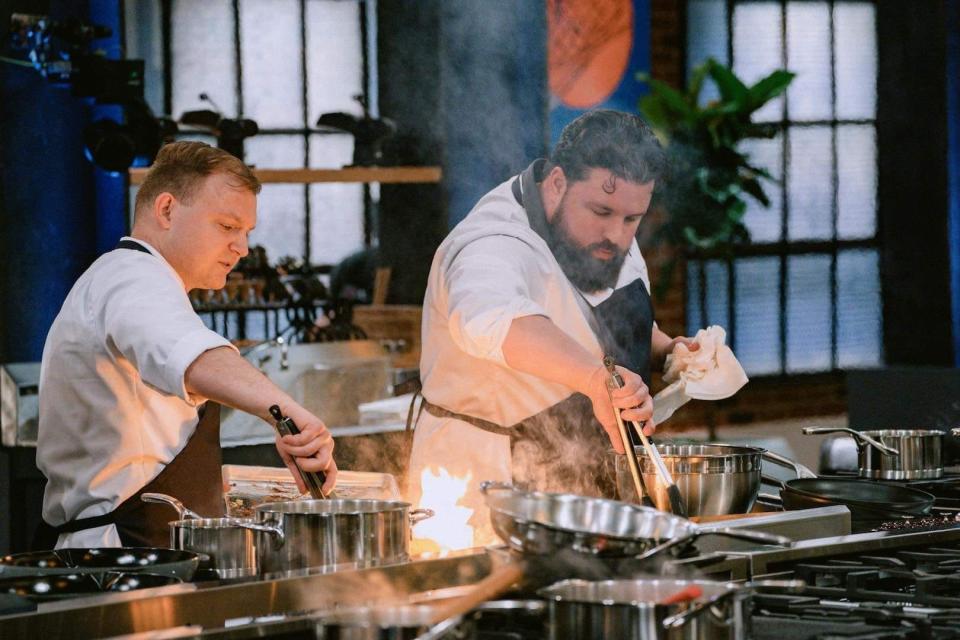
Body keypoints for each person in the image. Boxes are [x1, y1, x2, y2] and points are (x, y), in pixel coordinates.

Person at [406, 110, 695, 545]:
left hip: (590, 486)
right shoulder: (492, 244)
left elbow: (604, 318)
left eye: (632, 219)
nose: (617, 234)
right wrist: (599, 380)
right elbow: (496, 321)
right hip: (485, 499)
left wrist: (668, 349)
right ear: (557, 183)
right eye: (602, 211)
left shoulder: (602, 226)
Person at [35, 141, 337, 549]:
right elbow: (191, 355)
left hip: (149, 546)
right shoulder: (131, 277)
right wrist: (288, 414)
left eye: (246, 233)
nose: (242, 248)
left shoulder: (140, 280)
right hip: (123, 560)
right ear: (166, 210)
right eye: (227, 226)